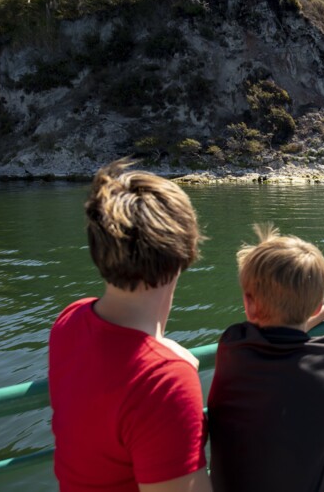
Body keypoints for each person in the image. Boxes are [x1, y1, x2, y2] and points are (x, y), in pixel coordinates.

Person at [48, 159, 211, 492]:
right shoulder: (165, 382)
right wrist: (167, 366)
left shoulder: (70, 320)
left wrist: (164, 354)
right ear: (187, 250)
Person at [206, 224, 324, 492]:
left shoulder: (232, 343)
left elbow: (273, 328)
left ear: (249, 305)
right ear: (317, 303)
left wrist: (318, 315)